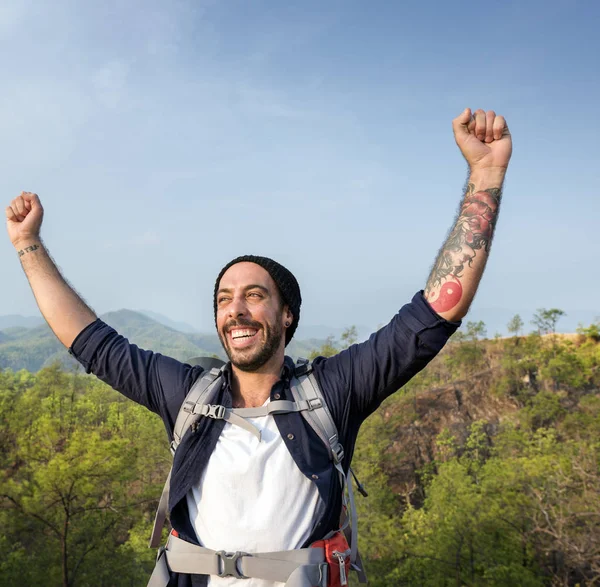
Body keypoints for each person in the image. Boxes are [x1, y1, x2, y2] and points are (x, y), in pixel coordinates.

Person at [5, 108, 512, 587]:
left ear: (286, 313)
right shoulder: (188, 397)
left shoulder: (330, 394)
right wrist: (28, 245)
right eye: (225, 299)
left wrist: (486, 175)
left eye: (254, 295)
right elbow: (92, 343)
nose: (236, 310)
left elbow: (433, 316)